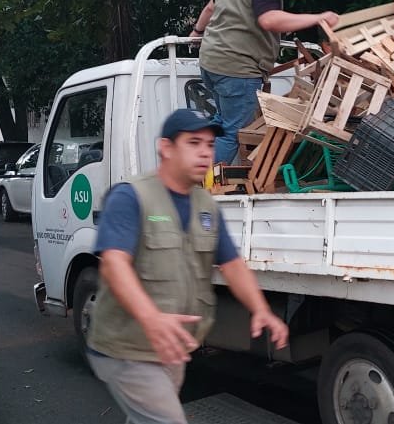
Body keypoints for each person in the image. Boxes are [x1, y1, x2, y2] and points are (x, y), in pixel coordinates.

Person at [86, 108, 290, 423]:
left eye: (209, 145)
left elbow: (232, 263)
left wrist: (261, 309)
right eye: (194, 143)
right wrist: (151, 319)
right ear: (165, 148)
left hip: (172, 347)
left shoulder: (205, 204)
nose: (205, 153)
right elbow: (114, 265)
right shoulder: (131, 196)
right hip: (127, 346)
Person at [189, 0, 340, 164]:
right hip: (238, 70)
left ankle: (198, 176)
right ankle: (204, 188)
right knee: (233, 134)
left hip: (211, 63)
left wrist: (197, 32)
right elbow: (269, 20)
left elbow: (211, 8)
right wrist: (318, 18)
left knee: (222, 122)